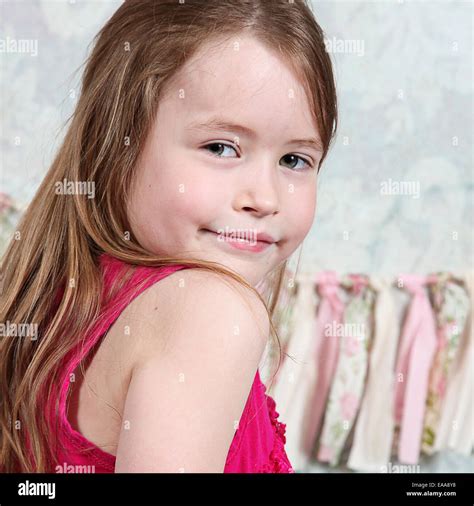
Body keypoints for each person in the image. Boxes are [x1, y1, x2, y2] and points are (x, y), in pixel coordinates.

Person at [0, 0, 337, 473]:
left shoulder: (63, 301)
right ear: (116, 146)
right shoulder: (211, 311)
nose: (264, 197)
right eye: (221, 147)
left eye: (294, 160)